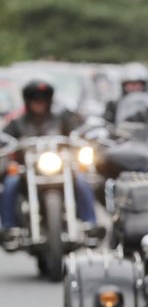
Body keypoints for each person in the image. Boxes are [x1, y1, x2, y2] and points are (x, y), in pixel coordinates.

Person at [1, 80, 99, 239]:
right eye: (35, 99)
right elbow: (4, 138)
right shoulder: (17, 122)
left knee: (82, 179)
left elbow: (77, 131)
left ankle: (91, 224)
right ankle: (9, 228)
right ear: (28, 101)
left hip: (60, 166)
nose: (40, 103)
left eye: (43, 99)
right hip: (26, 169)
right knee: (10, 183)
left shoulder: (61, 118)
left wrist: (83, 135)